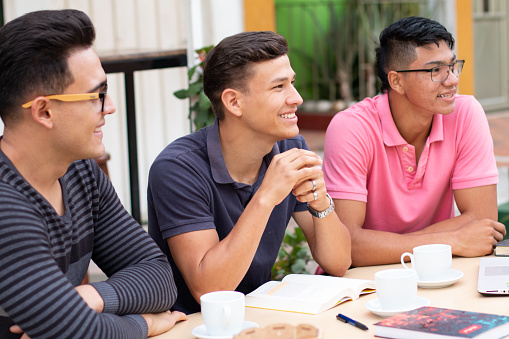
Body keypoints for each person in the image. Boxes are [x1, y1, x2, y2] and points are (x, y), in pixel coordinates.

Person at [0, 9, 187, 339]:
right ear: (44, 111)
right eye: (97, 95)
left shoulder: (80, 173)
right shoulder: (7, 204)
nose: (110, 106)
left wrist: (93, 296)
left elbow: (159, 277)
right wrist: (146, 324)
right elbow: (73, 331)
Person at [148, 31, 352, 314]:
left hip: (258, 317)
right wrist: (266, 196)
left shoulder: (289, 148)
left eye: (292, 83)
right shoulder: (178, 169)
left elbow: (338, 263)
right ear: (234, 102)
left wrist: (321, 202)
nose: (297, 98)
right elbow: (209, 290)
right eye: (278, 87)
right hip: (193, 326)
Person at [323, 16, 506, 267]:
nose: (452, 80)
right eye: (435, 70)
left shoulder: (464, 113)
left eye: (452, 66)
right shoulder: (352, 128)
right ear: (396, 81)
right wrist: (451, 241)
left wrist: (383, 246)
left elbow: (483, 222)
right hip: (363, 281)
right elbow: (345, 245)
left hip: (438, 272)